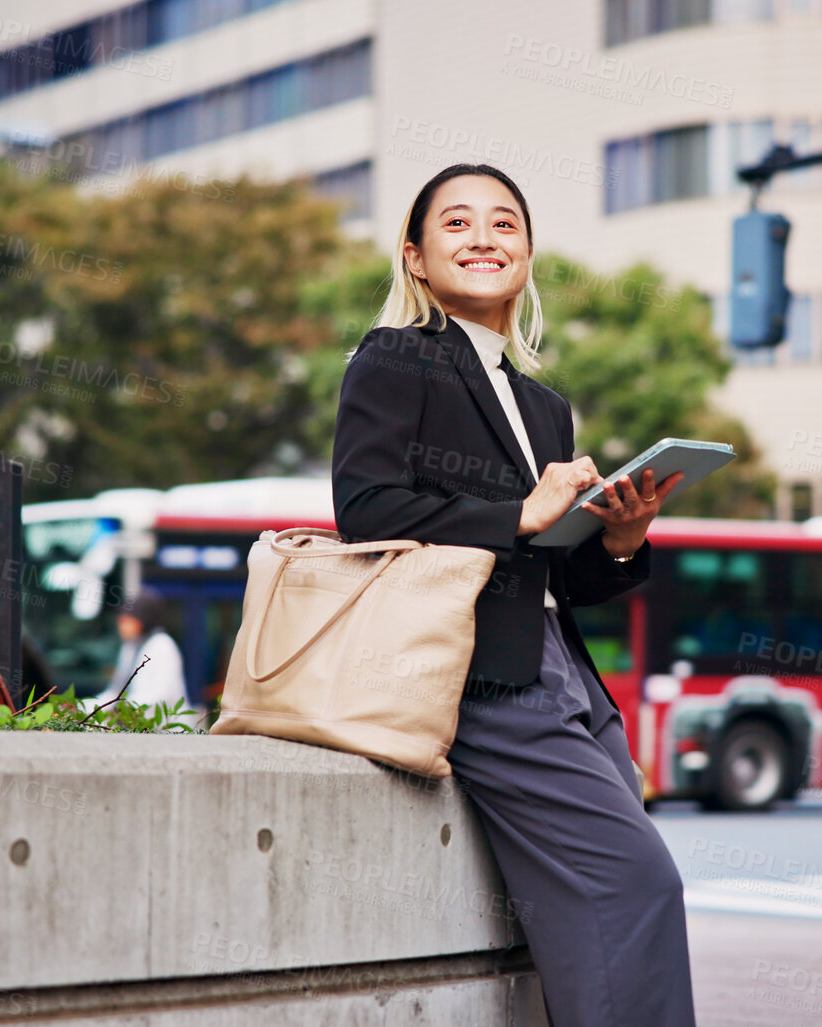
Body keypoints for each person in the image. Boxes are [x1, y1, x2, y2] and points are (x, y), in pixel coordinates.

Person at [331, 163, 695, 1026]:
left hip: (560, 667)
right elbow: (365, 509)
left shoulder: (543, 404)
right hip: (484, 677)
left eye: (504, 225)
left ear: (527, 254)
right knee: (636, 881)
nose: (484, 238)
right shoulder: (394, 357)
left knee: (615, 890)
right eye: (456, 225)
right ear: (416, 258)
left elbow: (545, 568)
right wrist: (520, 510)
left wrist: (617, 539)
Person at [86, 587, 188, 716]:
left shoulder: (162, 645)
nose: (121, 626)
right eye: (121, 620)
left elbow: (158, 696)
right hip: (135, 724)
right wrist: (84, 707)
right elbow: (116, 690)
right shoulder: (130, 647)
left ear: (144, 620)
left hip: (165, 729)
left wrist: (117, 710)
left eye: (127, 620)